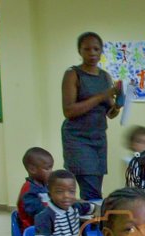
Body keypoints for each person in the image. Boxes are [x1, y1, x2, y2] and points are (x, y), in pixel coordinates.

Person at [61, 31, 122, 201]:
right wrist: (102, 96)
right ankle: (90, 225)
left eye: (96, 49)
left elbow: (110, 114)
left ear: (101, 51)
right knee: (91, 191)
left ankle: (89, 222)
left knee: (95, 186)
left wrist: (118, 104)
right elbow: (69, 111)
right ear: (79, 51)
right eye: (87, 49)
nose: (92, 53)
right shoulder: (72, 74)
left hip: (98, 138)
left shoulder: (105, 77)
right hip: (77, 138)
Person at [34, 170, 96, 236]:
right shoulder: (45, 216)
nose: (66, 196)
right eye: (59, 192)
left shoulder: (75, 207)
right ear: (50, 195)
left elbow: (94, 207)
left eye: (71, 191)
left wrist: (96, 212)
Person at [16, 147, 53, 231]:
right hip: (35, 232)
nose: (51, 171)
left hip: (47, 227)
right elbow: (39, 213)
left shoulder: (45, 186)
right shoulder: (29, 190)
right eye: (47, 168)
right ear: (32, 169)